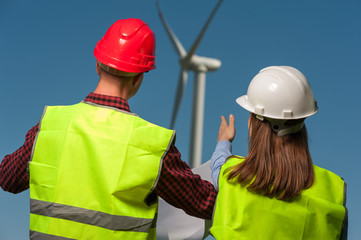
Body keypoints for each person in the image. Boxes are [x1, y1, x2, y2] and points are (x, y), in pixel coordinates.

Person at [0, 18, 217, 239]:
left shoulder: (50, 126)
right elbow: (205, 204)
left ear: (97, 64)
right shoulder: (152, 145)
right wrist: (222, 158)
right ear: (139, 77)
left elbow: (8, 179)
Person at [209, 66, 348, 239]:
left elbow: (218, 164)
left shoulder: (232, 176)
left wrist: (224, 141)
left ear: (254, 125)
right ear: (302, 124)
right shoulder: (334, 190)